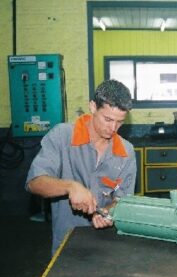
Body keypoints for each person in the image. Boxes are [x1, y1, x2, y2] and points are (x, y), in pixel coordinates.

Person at [26, 79, 136, 254]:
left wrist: (107, 212)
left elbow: (123, 200)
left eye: (119, 122)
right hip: (67, 243)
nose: (113, 128)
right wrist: (70, 186)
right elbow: (34, 182)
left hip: (109, 243)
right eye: (107, 119)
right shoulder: (62, 136)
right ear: (93, 107)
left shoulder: (126, 152)